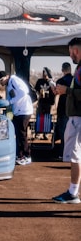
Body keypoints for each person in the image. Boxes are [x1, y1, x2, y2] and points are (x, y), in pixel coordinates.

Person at [52, 38, 81, 204]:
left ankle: (72, 193)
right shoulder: (78, 68)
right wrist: (65, 91)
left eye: (71, 52)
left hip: (78, 118)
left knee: (75, 157)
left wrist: (67, 91)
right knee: (76, 156)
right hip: (76, 117)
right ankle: (72, 192)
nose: (70, 56)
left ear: (75, 50)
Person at [0, 71, 33, 165]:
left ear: (6, 77)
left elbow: (23, 92)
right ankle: (20, 155)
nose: (1, 83)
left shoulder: (14, 80)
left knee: (22, 134)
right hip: (19, 111)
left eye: (1, 80)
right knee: (19, 134)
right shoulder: (9, 83)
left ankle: (27, 156)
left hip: (24, 110)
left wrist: (10, 102)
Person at [55, 62, 73, 158]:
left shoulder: (60, 81)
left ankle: (64, 153)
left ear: (62, 70)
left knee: (63, 132)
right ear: (70, 69)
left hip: (62, 109)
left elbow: (56, 92)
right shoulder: (75, 80)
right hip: (73, 110)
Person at [35, 67, 56, 139]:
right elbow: (35, 90)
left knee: (47, 117)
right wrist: (39, 93)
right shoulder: (39, 81)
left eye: (46, 74)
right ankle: (37, 133)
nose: (45, 76)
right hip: (41, 101)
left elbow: (54, 92)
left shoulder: (51, 82)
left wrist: (52, 101)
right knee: (39, 116)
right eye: (44, 74)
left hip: (48, 102)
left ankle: (46, 133)